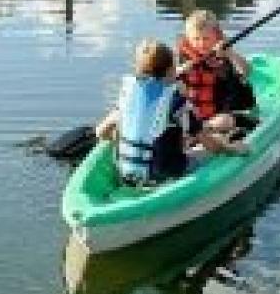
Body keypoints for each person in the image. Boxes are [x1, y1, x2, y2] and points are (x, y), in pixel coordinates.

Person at [95, 40, 249, 186]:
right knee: (217, 140)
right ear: (170, 70)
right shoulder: (176, 100)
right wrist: (231, 148)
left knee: (175, 138)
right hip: (162, 176)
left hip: (126, 175)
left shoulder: (129, 96)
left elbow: (101, 132)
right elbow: (209, 144)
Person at [177, 10, 258, 122]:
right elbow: (168, 79)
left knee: (223, 120)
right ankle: (199, 131)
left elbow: (246, 71)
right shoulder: (183, 56)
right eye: (196, 39)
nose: (201, 43)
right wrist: (181, 70)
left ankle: (205, 131)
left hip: (226, 112)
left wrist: (230, 53)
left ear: (216, 36)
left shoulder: (224, 52)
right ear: (189, 39)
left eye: (206, 38)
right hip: (197, 113)